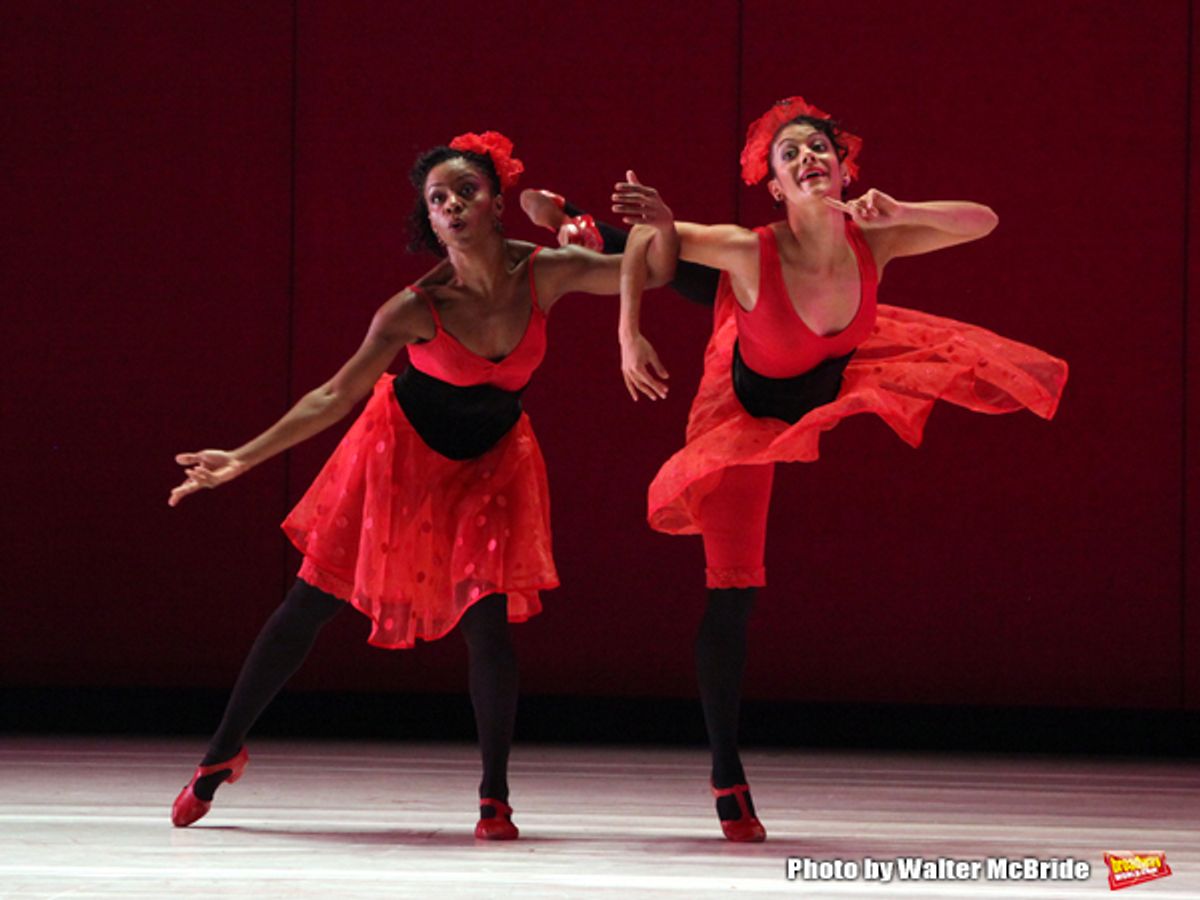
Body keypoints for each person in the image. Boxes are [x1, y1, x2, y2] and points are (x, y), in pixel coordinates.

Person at [166, 131, 673, 839]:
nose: (454, 204)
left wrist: (656, 223)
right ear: (429, 221)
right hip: (400, 454)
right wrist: (241, 459)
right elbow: (331, 395)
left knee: (489, 623)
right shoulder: (414, 307)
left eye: (466, 190)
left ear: (494, 201)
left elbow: (648, 270)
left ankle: (494, 798)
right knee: (310, 603)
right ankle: (221, 754)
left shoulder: (545, 271)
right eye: (439, 199)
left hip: (493, 458)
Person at [608, 96, 1069, 842]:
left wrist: (901, 208)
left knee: (977, 367)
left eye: (819, 147)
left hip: (837, 372)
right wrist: (629, 334)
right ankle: (726, 771)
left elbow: (982, 220)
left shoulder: (871, 240)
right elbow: (644, 245)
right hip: (745, 416)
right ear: (776, 187)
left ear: (846, 166)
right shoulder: (747, 246)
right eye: (788, 155)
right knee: (735, 594)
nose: (807, 158)